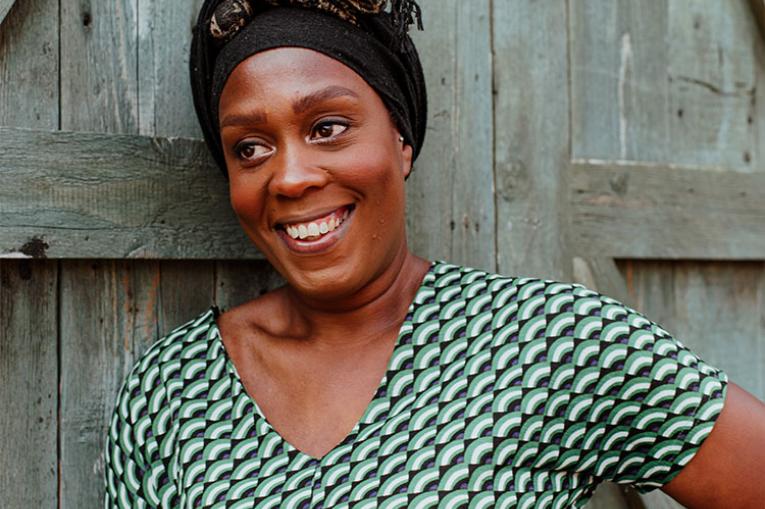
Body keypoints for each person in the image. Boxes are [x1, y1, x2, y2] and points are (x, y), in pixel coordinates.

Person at [103, 1, 765, 507]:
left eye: (326, 127)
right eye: (250, 147)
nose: (290, 176)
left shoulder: (551, 342)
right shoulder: (171, 391)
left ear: (401, 140)